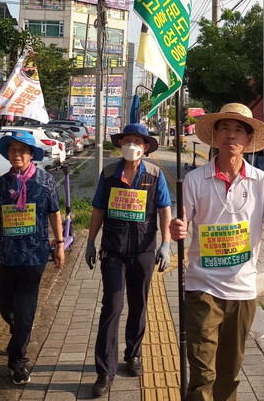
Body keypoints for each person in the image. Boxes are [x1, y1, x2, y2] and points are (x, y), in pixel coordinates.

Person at [169, 103, 264, 401]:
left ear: (248, 140)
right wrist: (176, 228)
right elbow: (180, 220)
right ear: (215, 136)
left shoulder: (262, 183)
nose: (231, 136)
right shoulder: (195, 180)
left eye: (238, 131)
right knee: (202, 372)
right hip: (201, 287)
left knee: (229, 371)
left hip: (243, 290)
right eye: (225, 129)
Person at [85, 123, 172, 397]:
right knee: (112, 305)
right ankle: (104, 371)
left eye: (137, 140)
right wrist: (89, 241)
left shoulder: (156, 175)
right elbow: (98, 208)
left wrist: (166, 244)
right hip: (113, 250)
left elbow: (164, 210)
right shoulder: (109, 173)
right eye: (127, 140)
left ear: (145, 147)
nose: (131, 145)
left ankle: (132, 354)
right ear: (120, 144)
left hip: (144, 250)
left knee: (139, 304)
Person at [0, 130, 65, 385]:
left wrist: (59, 244)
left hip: (34, 257)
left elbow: (54, 214)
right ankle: (19, 332)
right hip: (6, 256)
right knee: (4, 303)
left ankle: (18, 362)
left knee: (25, 312)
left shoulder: (45, 181)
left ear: (31, 154)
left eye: (22, 150)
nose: (17, 154)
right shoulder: (2, 183)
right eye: (12, 149)